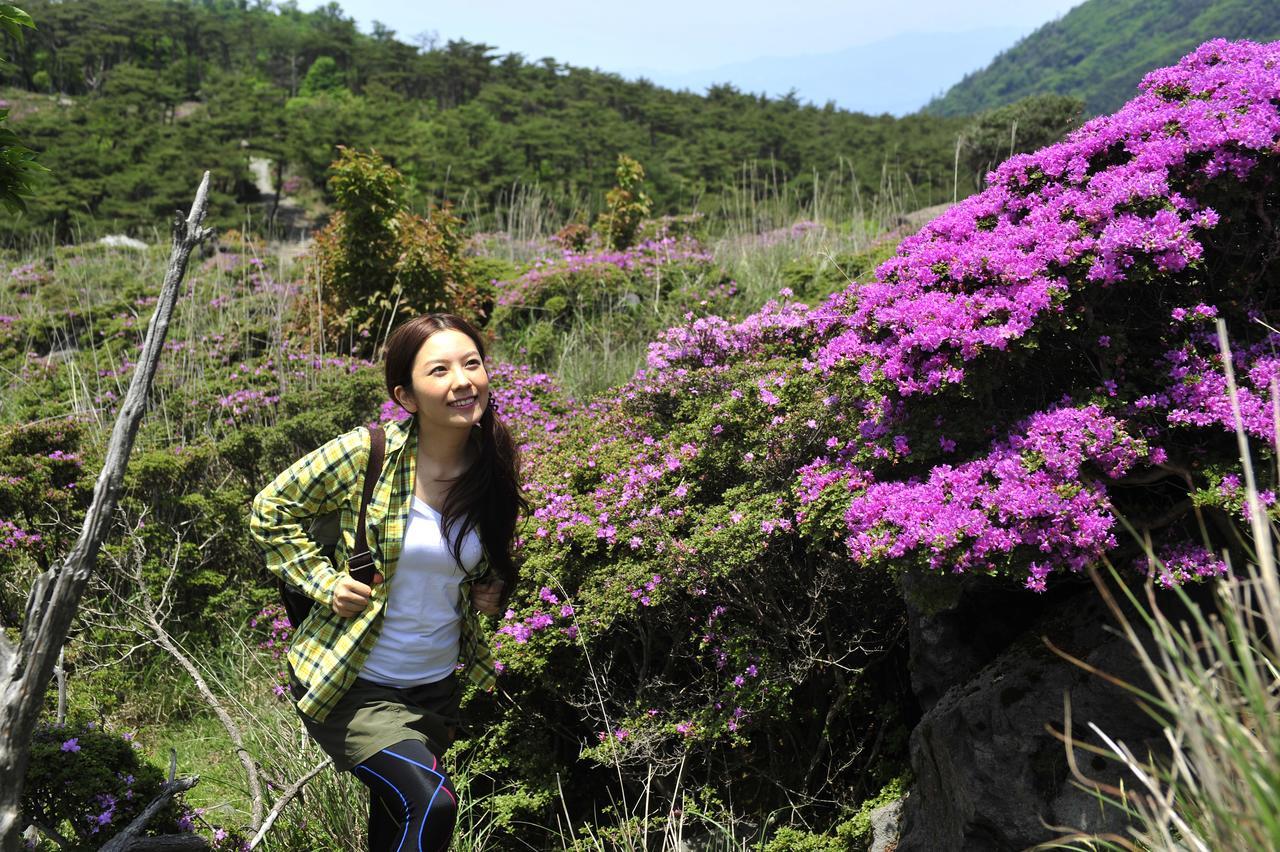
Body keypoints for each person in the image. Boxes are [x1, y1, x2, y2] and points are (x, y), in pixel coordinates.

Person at [251, 313, 525, 851]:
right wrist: (324, 582)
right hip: (355, 683)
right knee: (432, 805)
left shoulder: (492, 465)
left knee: (395, 827)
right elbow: (269, 509)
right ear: (407, 395)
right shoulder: (367, 453)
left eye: (471, 363)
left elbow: (482, 559)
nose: (462, 381)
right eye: (440, 370)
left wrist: (491, 587)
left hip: (434, 688)